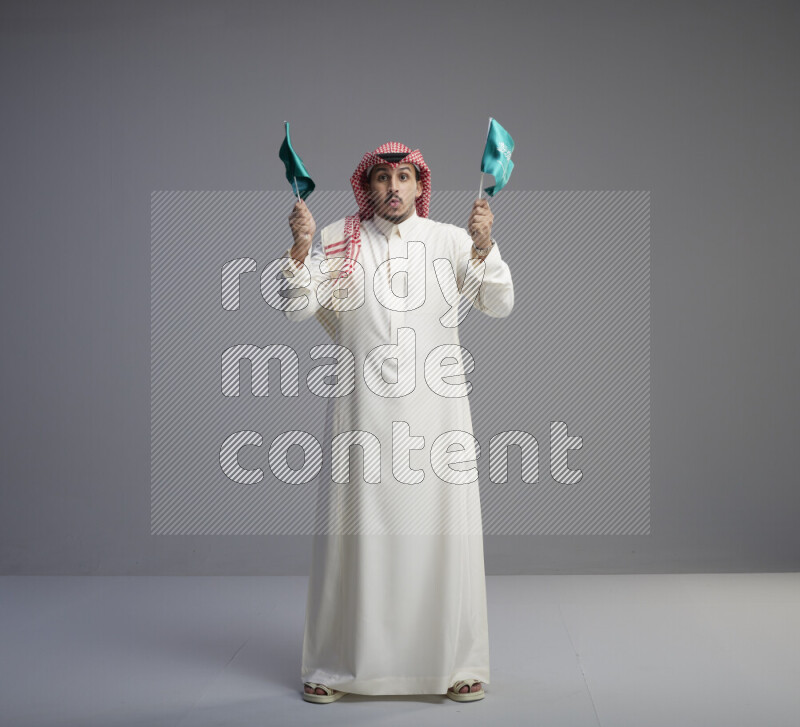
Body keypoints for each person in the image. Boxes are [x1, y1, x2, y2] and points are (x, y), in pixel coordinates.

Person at [277, 141, 514, 703]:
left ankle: (456, 665)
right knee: (352, 537)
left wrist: (485, 247)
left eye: (404, 177)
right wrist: (300, 248)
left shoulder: (452, 240)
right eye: (382, 178)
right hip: (361, 413)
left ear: (419, 186)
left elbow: (499, 304)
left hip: (438, 415)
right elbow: (293, 306)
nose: (393, 188)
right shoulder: (337, 238)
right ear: (368, 186)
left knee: (441, 537)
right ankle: (335, 665)